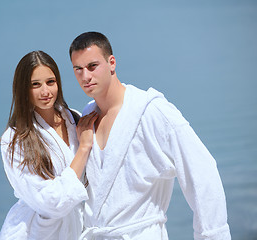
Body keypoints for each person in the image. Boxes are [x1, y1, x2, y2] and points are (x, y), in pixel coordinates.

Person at [69, 32, 231, 240]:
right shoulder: (87, 117)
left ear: (111, 63)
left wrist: (211, 235)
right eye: (78, 69)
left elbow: (202, 172)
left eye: (92, 66)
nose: (85, 77)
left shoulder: (151, 112)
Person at [0, 50, 98, 240]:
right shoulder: (14, 140)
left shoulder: (75, 119)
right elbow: (51, 202)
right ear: (23, 90)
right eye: (35, 85)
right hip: (35, 233)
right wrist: (83, 149)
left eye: (50, 82)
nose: (45, 92)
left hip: (77, 230)